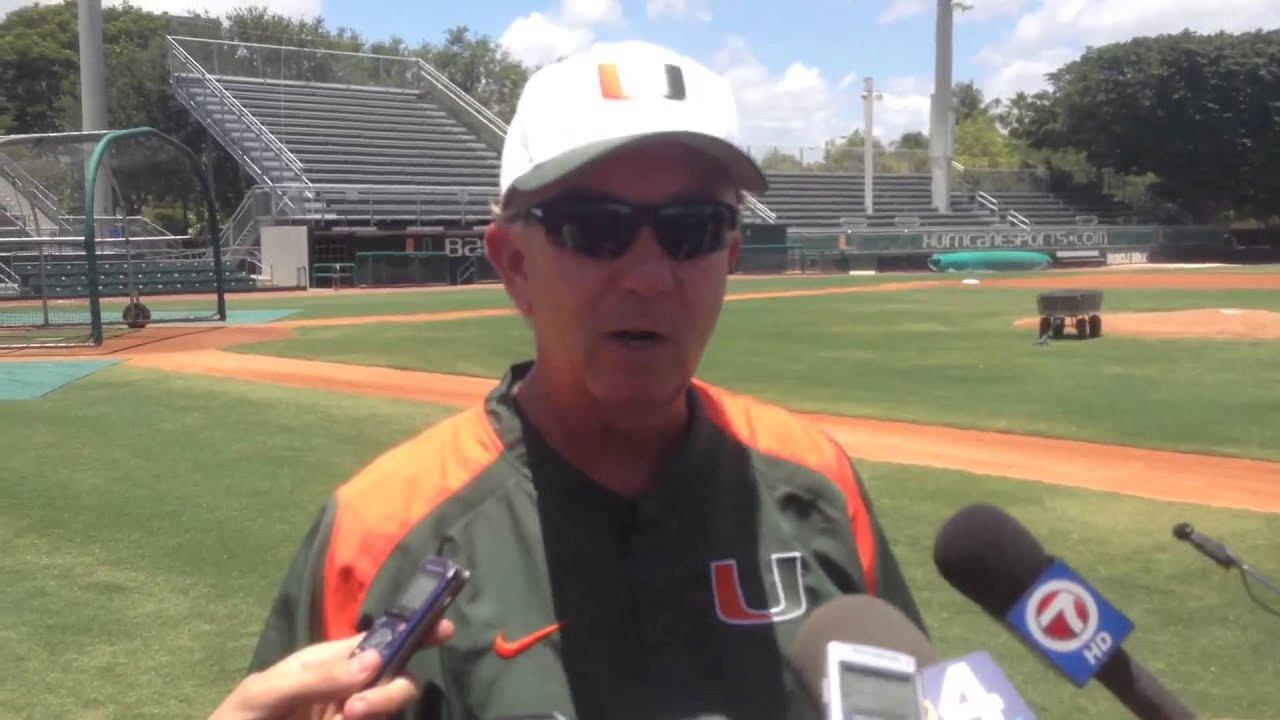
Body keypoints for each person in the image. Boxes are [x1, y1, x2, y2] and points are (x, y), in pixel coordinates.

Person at [240, 39, 925, 720]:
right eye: (593, 229)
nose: (650, 277)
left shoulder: (817, 486)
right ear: (513, 264)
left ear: (732, 255)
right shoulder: (380, 534)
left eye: (693, 229)